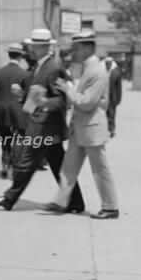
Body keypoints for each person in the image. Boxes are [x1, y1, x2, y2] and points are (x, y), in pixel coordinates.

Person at [0, 28, 84, 212]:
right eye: (32, 46)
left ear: (45, 47)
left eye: (36, 46)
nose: (31, 49)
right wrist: (22, 96)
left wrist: (45, 102)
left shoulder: (53, 68)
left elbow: (60, 99)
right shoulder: (39, 67)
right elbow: (34, 95)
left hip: (46, 126)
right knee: (58, 166)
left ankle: (9, 199)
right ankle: (76, 202)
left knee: (27, 162)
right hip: (42, 125)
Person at [42, 31, 120, 220]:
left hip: (91, 129)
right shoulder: (89, 69)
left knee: (100, 169)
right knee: (69, 167)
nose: (72, 53)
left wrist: (68, 90)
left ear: (87, 48)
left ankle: (110, 207)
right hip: (81, 129)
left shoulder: (97, 71)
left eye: (75, 49)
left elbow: (87, 102)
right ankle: (61, 201)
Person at [0, 43, 30, 178]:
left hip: (2, 111)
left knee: (5, 138)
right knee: (19, 139)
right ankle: (15, 166)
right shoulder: (24, 74)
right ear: (21, 57)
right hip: (19, 111)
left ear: (9, 55)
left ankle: (5, 164)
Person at [103, 56, 122, 138]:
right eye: (106, 63)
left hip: (112, 97)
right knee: (103, 114)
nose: (108, 65)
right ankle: (104, 130)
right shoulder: (102, 71)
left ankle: (112, 130)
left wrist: (118, 98)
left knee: (112, 114)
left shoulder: (116, 73)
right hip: (103, 97)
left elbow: (119, 87)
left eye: (109, 63)